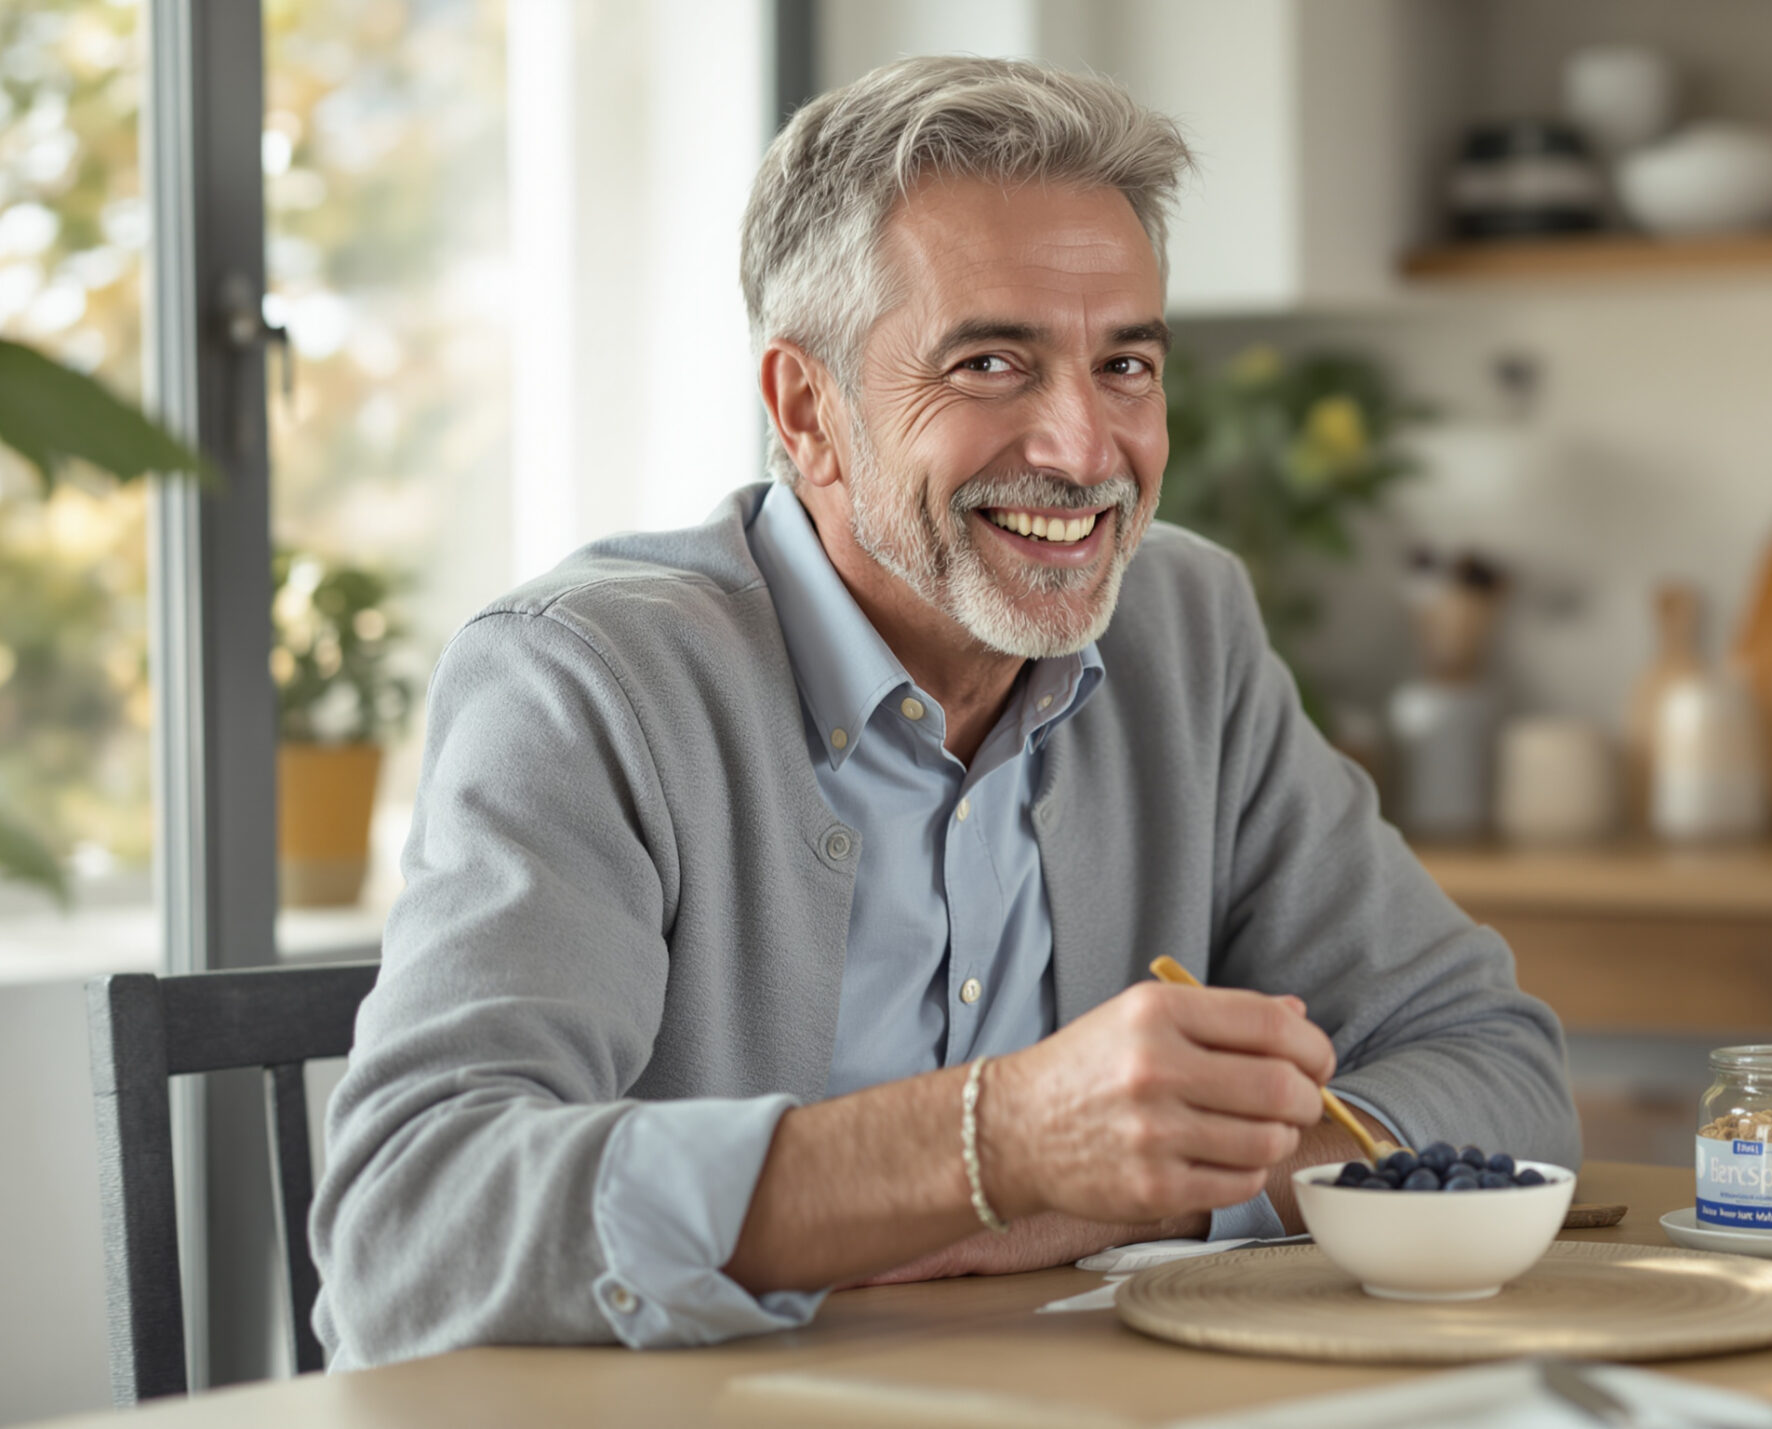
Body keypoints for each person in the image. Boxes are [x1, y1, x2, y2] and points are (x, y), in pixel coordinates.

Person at [310, 54, 1577, 1368]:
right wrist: (999, 1140)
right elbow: (409, 1234)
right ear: (810, 413)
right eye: (989, 363)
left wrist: (1149, 1183)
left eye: (1126, 364)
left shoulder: (1184, 627)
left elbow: (1496, 1068)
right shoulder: (584, 680)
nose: (1085, 452)